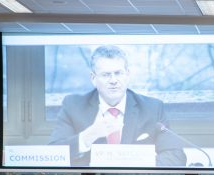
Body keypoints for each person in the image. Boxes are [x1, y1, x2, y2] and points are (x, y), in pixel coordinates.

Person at [50, 45, 186, 167]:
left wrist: (136, 166)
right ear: (93, 78)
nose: (113, 80)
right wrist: (90, 134)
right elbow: (54, 154)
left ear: (127, 75)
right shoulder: (74, 107)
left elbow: (176, 156)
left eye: (118, 73)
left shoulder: (152, 109)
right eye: (106, 75)